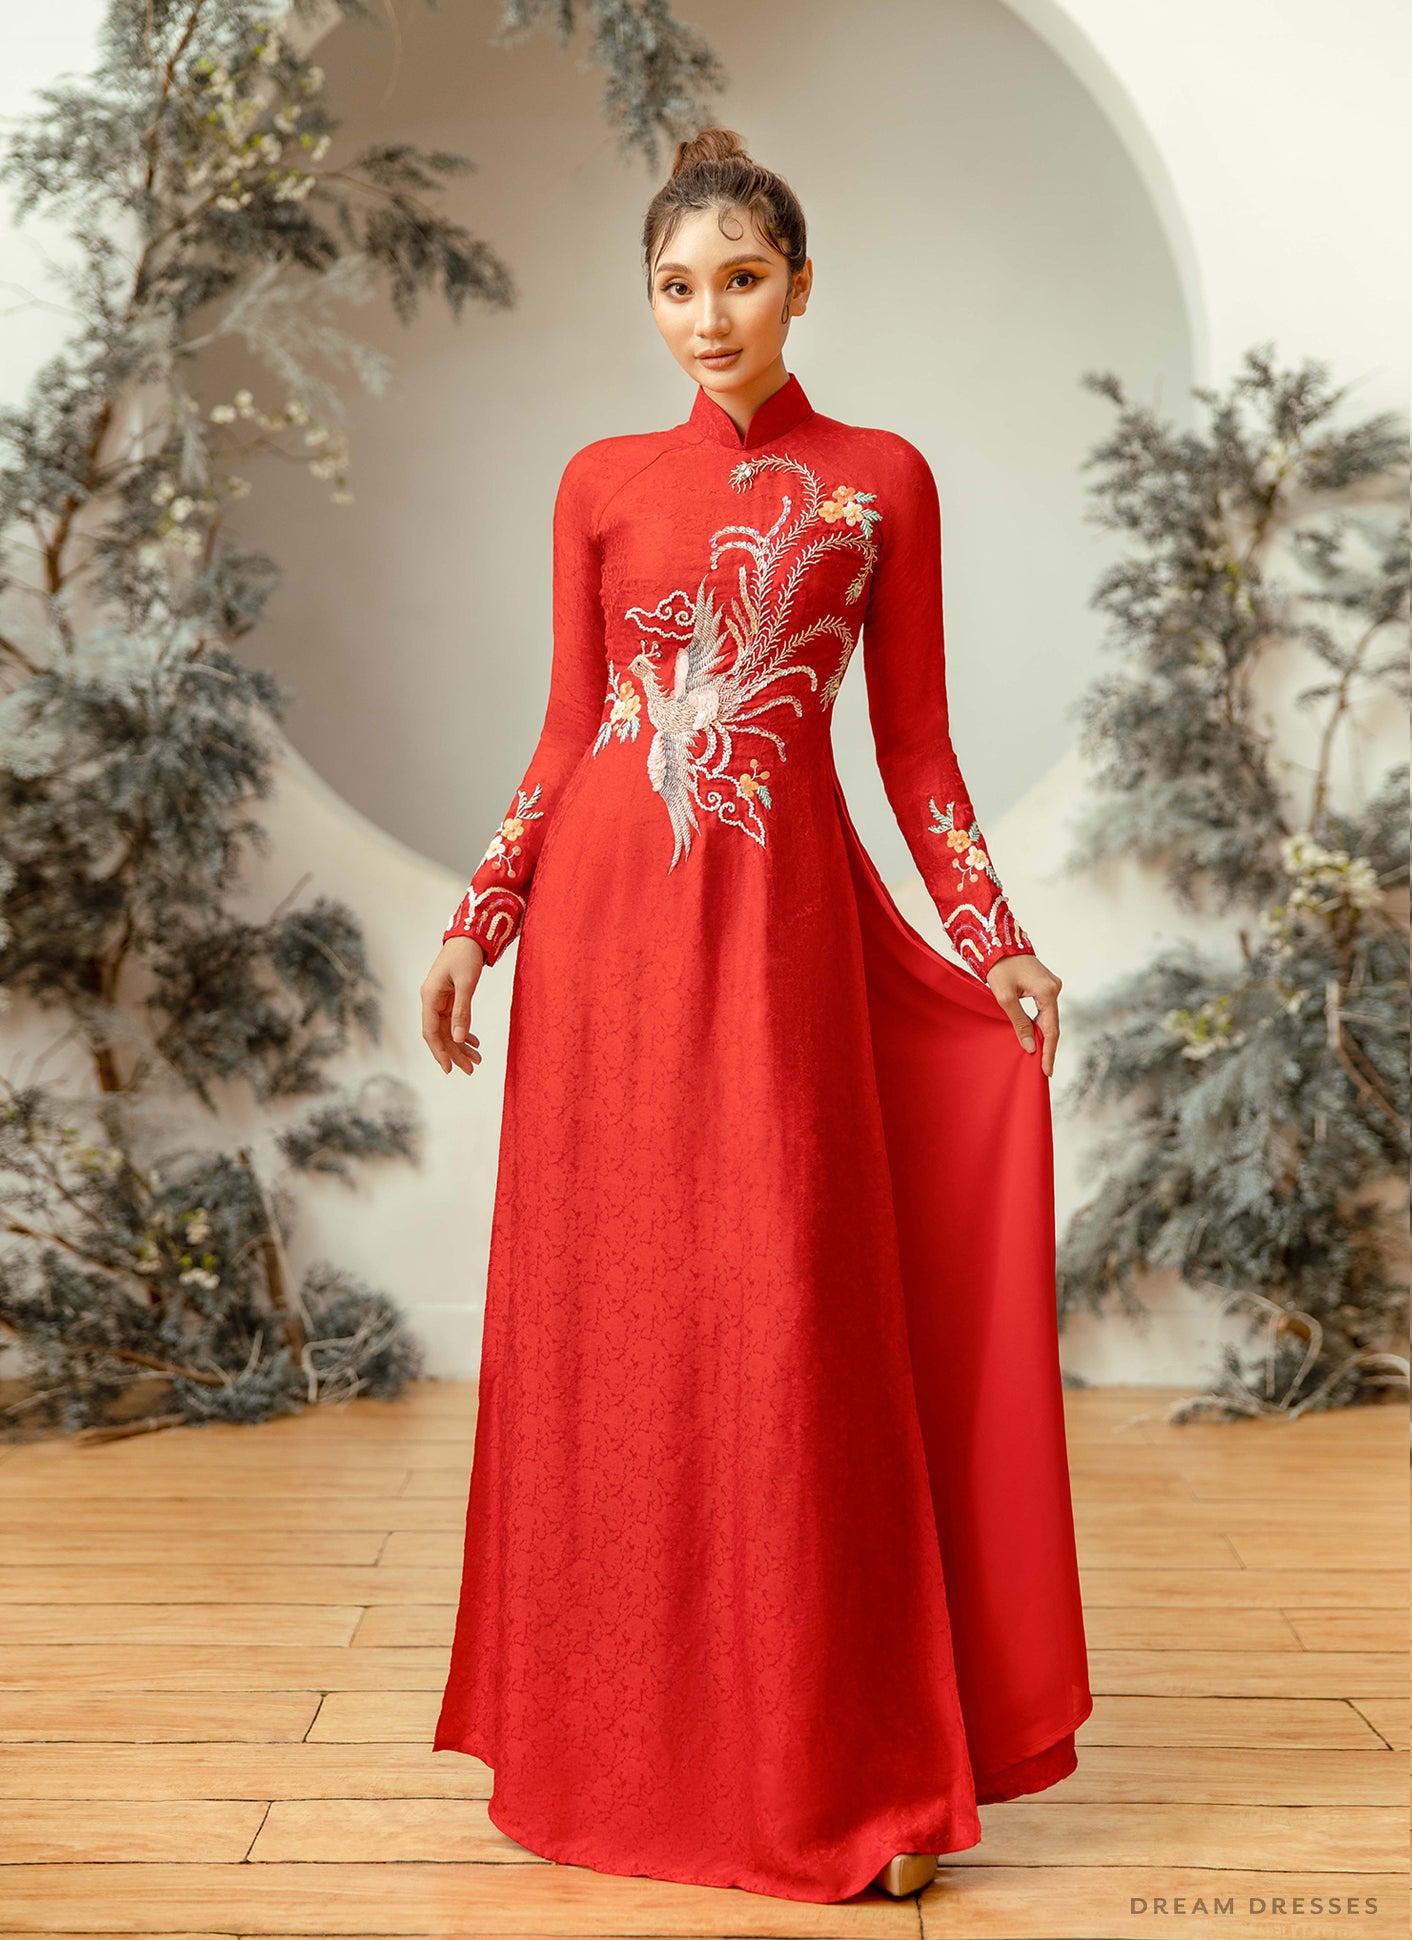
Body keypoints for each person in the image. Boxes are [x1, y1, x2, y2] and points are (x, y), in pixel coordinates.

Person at [421, 125, 1091, 1907]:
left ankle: (842, 1773)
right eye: (673, 285)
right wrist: (484, 915)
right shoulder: (596, 482)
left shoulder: (880, 480)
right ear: (644, 297)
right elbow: (571, 732)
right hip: (603, 960)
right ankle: (601, 1748)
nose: (705, 316)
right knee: (621, 1328)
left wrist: (993, 933)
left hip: (782, 948)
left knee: (787, 1323)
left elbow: (919, 746)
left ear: (801, 284)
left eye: (739, 280)